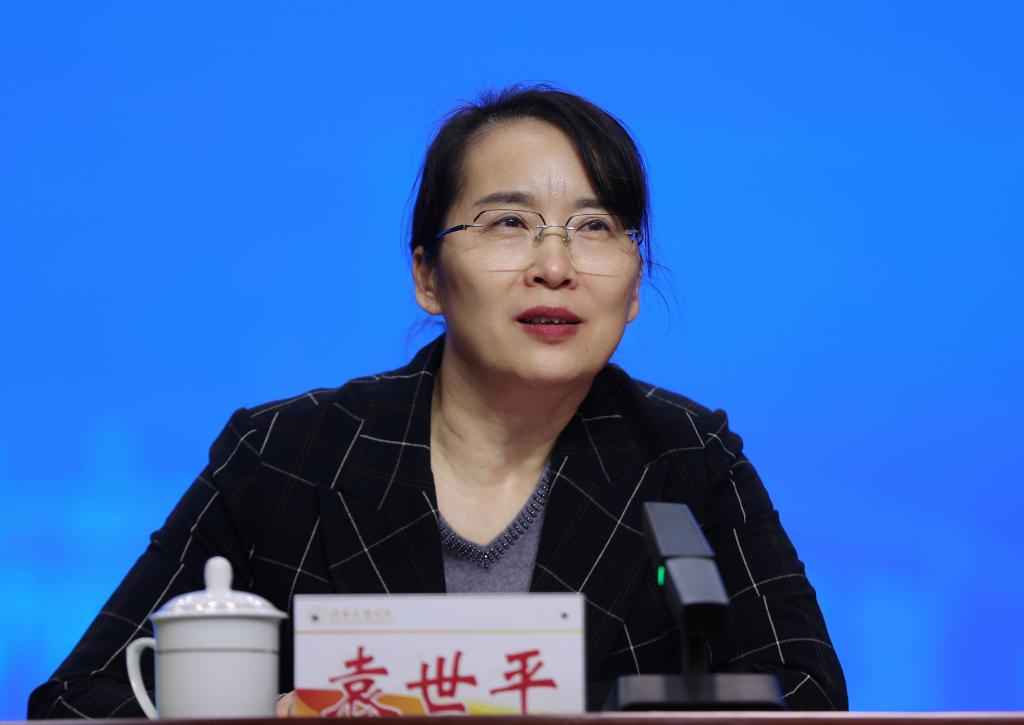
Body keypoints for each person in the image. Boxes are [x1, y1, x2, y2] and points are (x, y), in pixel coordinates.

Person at [28, 85, 847, 717]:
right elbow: (75, 702)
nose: (555, 265)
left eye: (595, 227)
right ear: (426, 274)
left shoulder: (686, 459)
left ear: (633, 288)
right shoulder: (286, 456)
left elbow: (808, 697)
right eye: (509, 222)